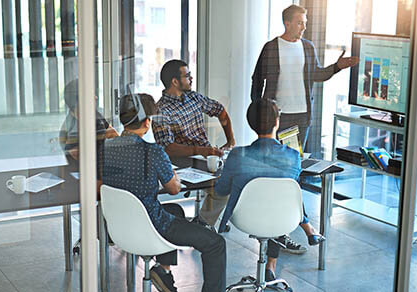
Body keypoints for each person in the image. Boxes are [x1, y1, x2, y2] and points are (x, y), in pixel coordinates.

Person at [251, 4, 358, 253]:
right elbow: (257, 81)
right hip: (277, 120)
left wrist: (337, 67)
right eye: (300, 22)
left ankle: (284, 231)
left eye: (305, 22)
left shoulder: (307, 47)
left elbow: (318, 75)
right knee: (280, 176)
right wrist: (259, 115)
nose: (304, 26)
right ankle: (289, 230)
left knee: (291, 175)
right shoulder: (271, 48)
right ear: (287, 23)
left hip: (300, 119)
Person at [103, 93, 227, 292]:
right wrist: (173, 175)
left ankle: (164, 273)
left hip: (116, 226)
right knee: (216, 244)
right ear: (146, 123)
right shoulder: (153, 152)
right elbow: (173, 189)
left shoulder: (104, 148)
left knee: (175, 210)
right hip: (151, 226)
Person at [215, 98, 325, 286]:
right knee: (276, 204)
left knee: (270, 204)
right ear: (277, 122)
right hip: (282, 218)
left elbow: (221, 190)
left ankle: (270, 268)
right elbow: (291, 194)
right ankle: (274, 264)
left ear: (250, 124)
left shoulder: (237, 155)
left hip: (245, 219)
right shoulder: (293, 156)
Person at [153, 59, 236, 228]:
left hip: (206, 157)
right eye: (187, 75)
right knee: (222, 187)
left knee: (230, 182)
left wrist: (230, 140)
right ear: (175, 81)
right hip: (181, 163)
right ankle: (206, 221)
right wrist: (202, 150)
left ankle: (203, 221)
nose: (191, 78)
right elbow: (167, 148)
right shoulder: (160, 110)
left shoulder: (193, 97)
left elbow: (220, 111)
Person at [58, 79, 118, 187]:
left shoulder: (95, 115)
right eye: (91, 94)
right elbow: (89, 163)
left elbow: (115, 136)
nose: (96, 97)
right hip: (90, 183)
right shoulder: (71, 130)